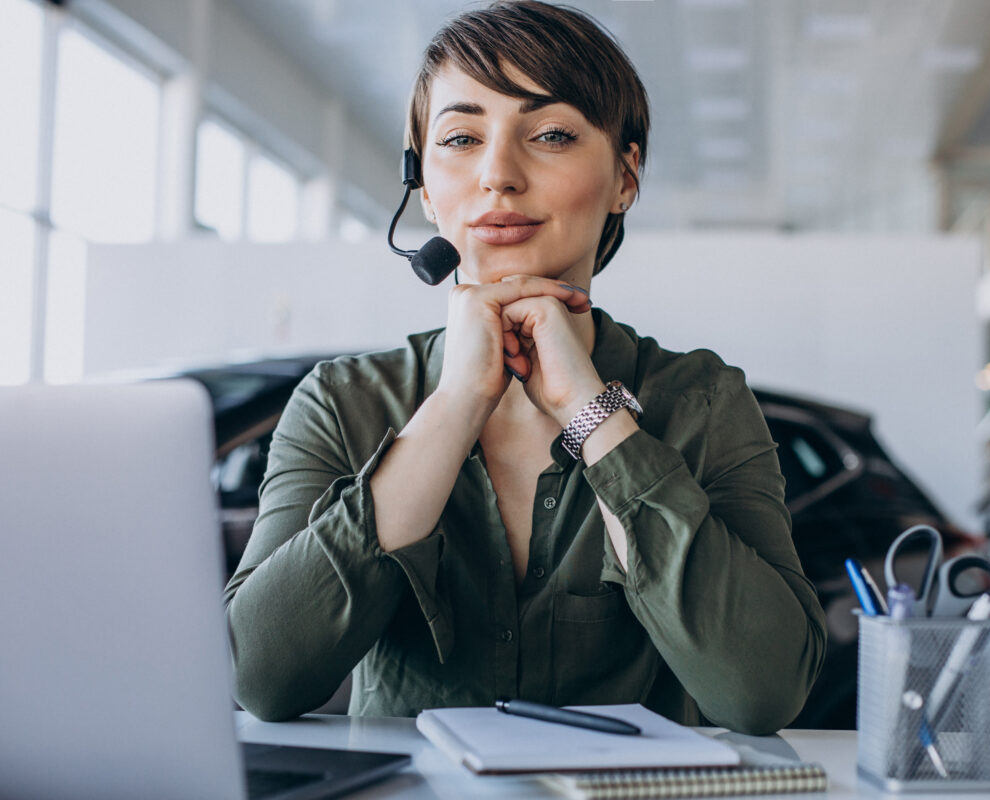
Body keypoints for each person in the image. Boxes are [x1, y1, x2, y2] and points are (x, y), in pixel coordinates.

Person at [224, 0, 826, 736]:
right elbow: (259, 676)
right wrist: (453, 405)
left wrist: (590, 409)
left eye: (550, 134)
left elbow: (762, 691)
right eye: (460, 138)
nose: (498, 175)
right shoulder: (343, 401)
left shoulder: (701, 399)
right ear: (421, 183)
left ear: (625, 177)